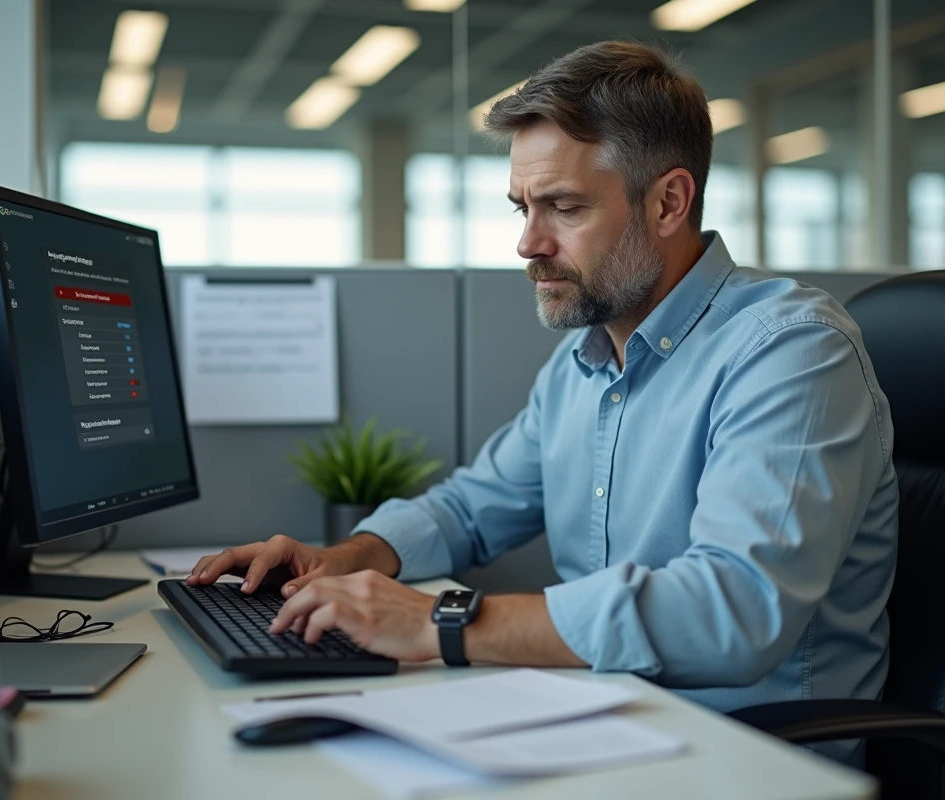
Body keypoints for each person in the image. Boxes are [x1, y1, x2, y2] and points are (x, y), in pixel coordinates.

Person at [188, 40, 898, 763]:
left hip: (750, 760)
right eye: (522, 208)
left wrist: (440, 621)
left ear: (668, 202)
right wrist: (342, 560)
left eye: (563, 207)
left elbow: (735, 610)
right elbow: (470, 508)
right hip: (606, 719)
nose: (529, 243)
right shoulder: (584, 362)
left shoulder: (787, 352)